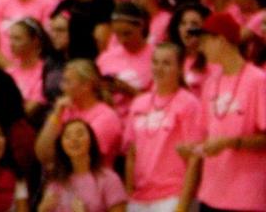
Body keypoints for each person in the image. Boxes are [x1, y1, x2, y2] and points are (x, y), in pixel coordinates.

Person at [183, 12, 266, 212]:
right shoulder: (210, 83)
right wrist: (192, 148)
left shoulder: (258, 81)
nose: (201, 47)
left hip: (247, 198)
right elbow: (206, 136)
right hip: (210, 194)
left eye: (204, 41)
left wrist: (230, 143)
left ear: (220, 40)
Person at [123, 42, 204, 212]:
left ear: (180, 68)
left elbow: (194, 158)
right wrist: (130, 193)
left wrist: (182, 205)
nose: (159, 68)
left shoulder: (189, 104)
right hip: (140, 198)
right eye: (155, 62)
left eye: (166, 63)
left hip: (173, 195)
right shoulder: (139, 103)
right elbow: (131, 153)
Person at [38, 120, 127, 212]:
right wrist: (42, 209)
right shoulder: (56, 180)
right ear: (62, 145)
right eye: (67, 136)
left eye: (80, 134)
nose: (74, 139)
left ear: (91, 141)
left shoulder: (109, 179)